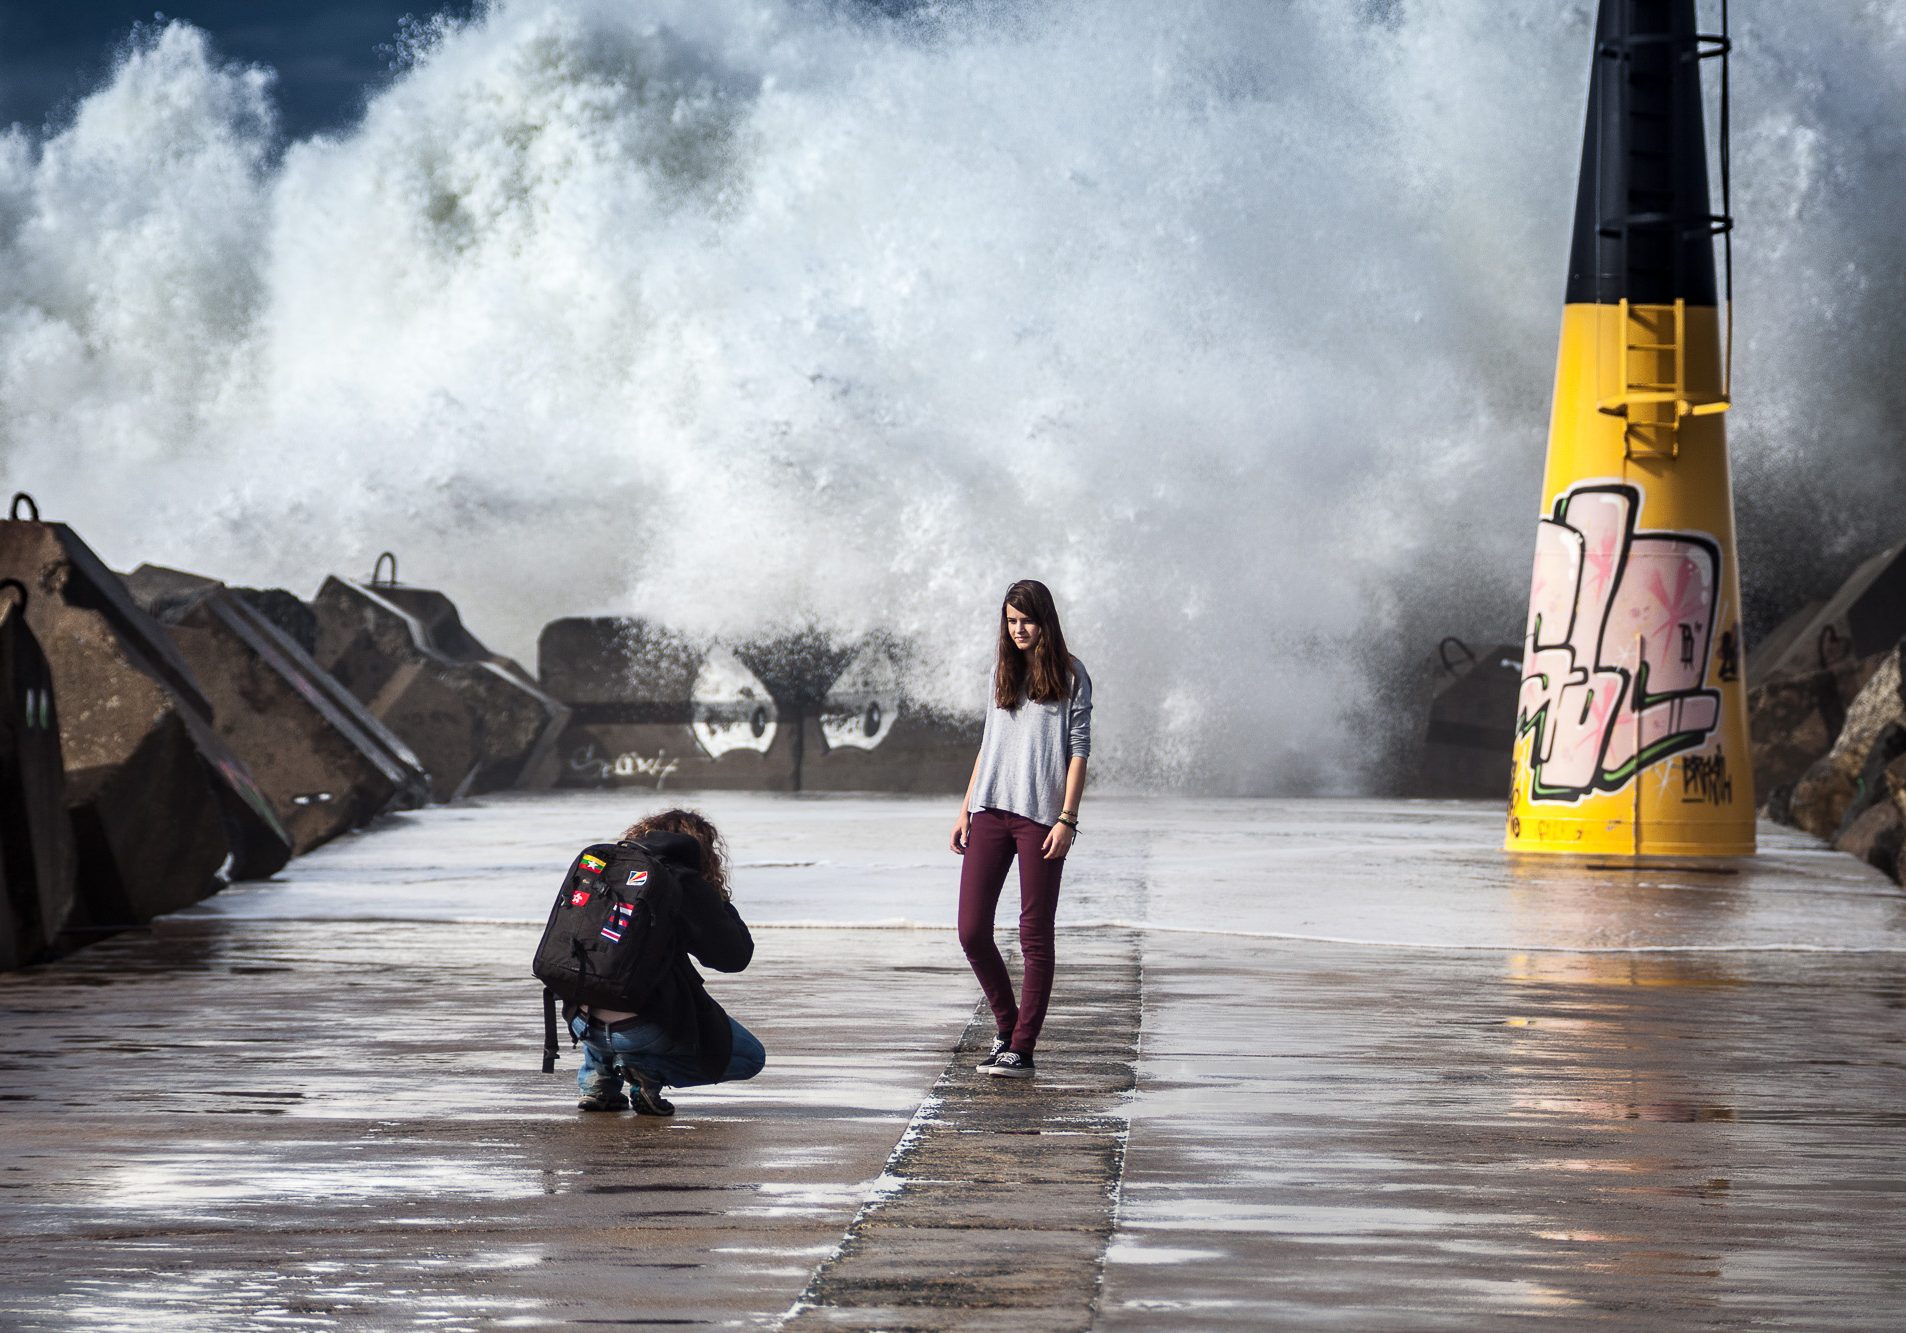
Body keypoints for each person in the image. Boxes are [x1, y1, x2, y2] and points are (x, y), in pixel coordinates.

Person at [950, 579, 1092, 1079]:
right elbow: (989, 744)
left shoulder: (1072, 676)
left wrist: (1067, 820)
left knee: (1034, 935)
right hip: (990, 809)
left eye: (1026, 620)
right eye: (1010, 621)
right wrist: (966, 807)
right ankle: (1006, 1026)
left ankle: (1023, 1048)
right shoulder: (1002, 672)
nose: (1018, 630)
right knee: (971, 930)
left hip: (1040, 817)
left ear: (1045, 620)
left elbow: (1079, 752)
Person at [567, 808, 766, 1115]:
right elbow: (734, 957)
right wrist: (716, 899)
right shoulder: (681, 881)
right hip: (638, 1029)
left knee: (605, 966)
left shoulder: (608, 868)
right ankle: (647, 1072)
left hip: (580, 1021)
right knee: (750, 1057)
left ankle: (599, 1084)